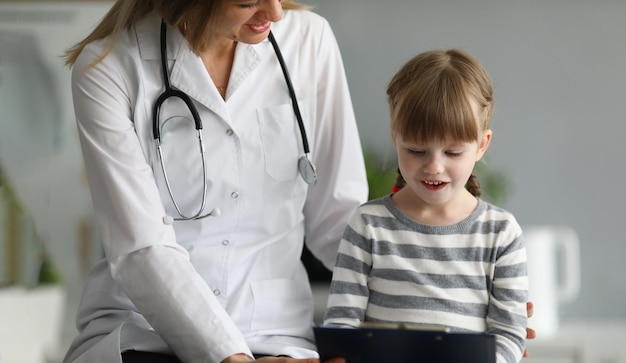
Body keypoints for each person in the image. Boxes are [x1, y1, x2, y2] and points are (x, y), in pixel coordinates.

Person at [62, 0, 367, 362]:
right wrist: (232, 358)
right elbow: (142, 248)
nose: (275, 13)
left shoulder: (309, 41)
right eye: (246, 3)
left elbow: (338, 221)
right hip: (143, 333)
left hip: (275, 333)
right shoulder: (109, 68)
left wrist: (376, 332)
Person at [323, 49, 529, 363]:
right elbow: (342, 323)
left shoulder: (500, 232)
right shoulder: (368, 223)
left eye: (453, 153)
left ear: (481, 145)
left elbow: (509, 334)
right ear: (395, 138)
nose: (433, 166)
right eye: (416, 150)